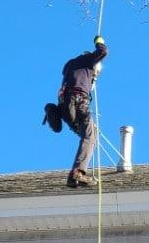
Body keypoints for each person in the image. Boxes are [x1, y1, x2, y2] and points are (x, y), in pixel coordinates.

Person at [43, 36, 108, 187]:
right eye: (95, 75)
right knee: (90, 137)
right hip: (79, 101)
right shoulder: (88, 60)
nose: (94, 78)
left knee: (87, 134)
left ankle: (53, 111)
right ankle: (78, 173)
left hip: (65, 105)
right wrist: (99, 42)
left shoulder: (70, 67)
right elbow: (103, 51)